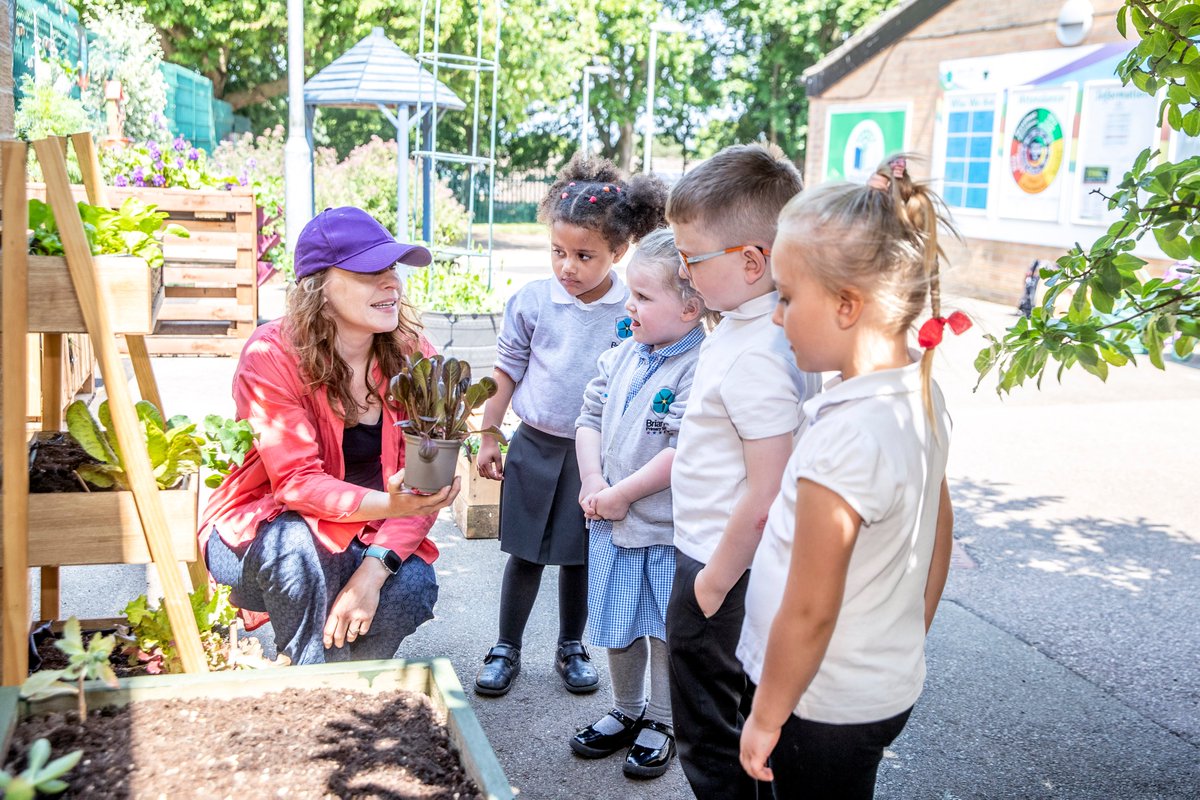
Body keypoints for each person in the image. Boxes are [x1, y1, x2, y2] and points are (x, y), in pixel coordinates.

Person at [737, 156, 961, 798]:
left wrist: (766, 715)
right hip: (875, 686)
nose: (776, 317)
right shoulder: (919, 394)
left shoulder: (848, 437)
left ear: (847, 306)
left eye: (784, 296)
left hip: (816, 704)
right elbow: (937, 534)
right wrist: (906, 635)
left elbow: (809, 609)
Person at [199, 206, 460, 666]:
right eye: (369, 271)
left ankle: (332, 683)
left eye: (392, 270)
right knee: (300, 555)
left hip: (366, 534)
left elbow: (423, 484)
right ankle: (306, 678)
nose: (392, 283)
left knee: (413, 585)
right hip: (269, 532)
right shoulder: (270, 355)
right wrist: (394, 504)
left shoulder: (413, 353)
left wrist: (373, 572)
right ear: (318, 286)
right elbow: (296, 483)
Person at [473, 154, 669, 697]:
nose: (568, 266)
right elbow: (506, 369)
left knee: (580, 558)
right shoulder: (533, 302)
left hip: (596, 458)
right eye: (559, 252)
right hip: (534, 446)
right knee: (525, 554)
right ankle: (505, 647)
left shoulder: (629, 312)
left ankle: (571, 647)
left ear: (619, 251)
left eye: (585, 255)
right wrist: (489, 434)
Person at [664, 143, 823, 798]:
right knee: (727, 729)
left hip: (721, 568)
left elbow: (768, 490)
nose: (681, 271)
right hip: (720, 561)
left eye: (691, 259)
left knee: (710, 737)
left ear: (754, 261)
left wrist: (711, 585)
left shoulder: (758, 351)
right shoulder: (745, 326)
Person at [569, 230, 713, 779]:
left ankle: (661, 719)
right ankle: (625, 709)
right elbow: (589, 416)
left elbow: (682, 450)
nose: (630, 306)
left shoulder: (699, 366)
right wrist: (592, 480)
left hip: (663, 528)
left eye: (644, 299)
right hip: (609, 520)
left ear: (691, 305)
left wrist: (621, 495)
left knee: (662, 628)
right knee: (618, 621)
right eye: (631, 294)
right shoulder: (624, 353)